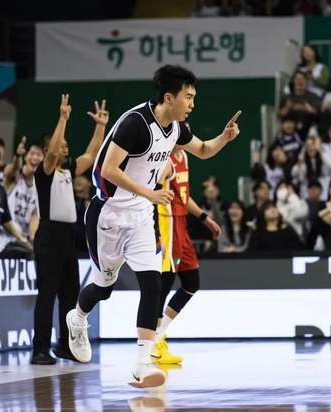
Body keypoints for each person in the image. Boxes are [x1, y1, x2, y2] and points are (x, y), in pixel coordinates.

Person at [65, 65, 240, 389]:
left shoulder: (176, 129)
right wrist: (149, 192)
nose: (192, 104)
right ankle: (77, 318)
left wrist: (224, 138)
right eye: (188, 97)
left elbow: (204, 150)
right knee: (104, 288)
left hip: (142, 216)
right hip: (109, 214)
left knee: (153, 284)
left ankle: (141, 366)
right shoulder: (135, 123)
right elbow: (107, 170)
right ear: (169, 97)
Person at [30, 95, 107, 365]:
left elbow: (92, 154)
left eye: (66, 145)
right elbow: (52, 154)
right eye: (62, 145)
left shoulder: (68, 171)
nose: (65, 148)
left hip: (67, 238)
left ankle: (65, 345)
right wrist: (63, 118)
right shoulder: (45, 172)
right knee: (46, 295)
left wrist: (100, 126)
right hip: (48, 236)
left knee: (69, 296)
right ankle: (40, 349)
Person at [153, 146, 222, 365]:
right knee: (163, 285)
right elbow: (150, 195)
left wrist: (204, 218)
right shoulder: (164, 160)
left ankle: (159, 334)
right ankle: (154, 344)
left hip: (181, 224)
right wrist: (156, 234)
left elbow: (183, 196)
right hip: (166, 223)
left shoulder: (183, 156)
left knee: (192, 283)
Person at [0, 138, 44, 252]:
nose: (35, 157)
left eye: (39, 155)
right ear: (25, 156)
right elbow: (13, 169)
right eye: (32, 153)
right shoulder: (15, 175)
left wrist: (32, 241)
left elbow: (34, 217)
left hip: (22, 242)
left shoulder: (40, 187)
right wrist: (17, 156)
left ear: (43, 159)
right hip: (2, 236)